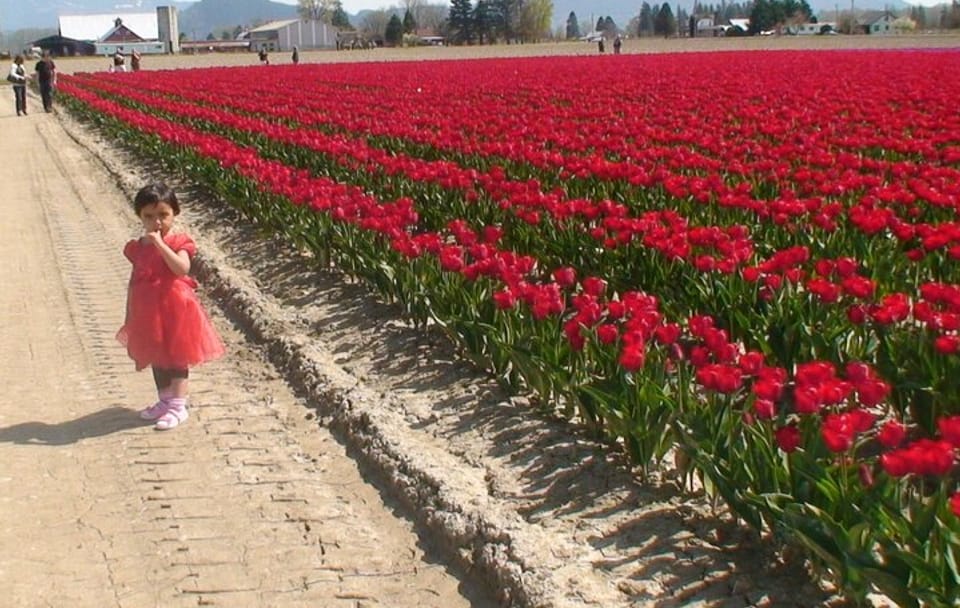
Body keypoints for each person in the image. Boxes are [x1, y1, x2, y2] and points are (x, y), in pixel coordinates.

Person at [117, 183, 225, 430]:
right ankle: (164, 400)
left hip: (176, 308)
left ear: (174, 214)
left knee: (176, 355)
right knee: (157, 355)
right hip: (148, 309)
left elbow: (181, 269)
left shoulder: (178, 241)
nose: (157, 222)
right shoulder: (138, 247)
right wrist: (130, 312)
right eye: (149, 216)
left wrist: (161, 245)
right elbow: (135, 279)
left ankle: (179, 405)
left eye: (163, 215)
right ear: (140, 217)